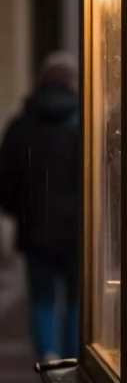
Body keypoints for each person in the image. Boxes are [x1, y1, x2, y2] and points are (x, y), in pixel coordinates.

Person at [0, 52, 79, 363]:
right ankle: (73, 357)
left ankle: (47, 355)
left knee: (42, 296)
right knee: (76, 299)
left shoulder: (21, 125)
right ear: (73, 82)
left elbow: (5, 181)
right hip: (77, 229)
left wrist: (22, 211)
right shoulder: (83, 124)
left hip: (35, 229)